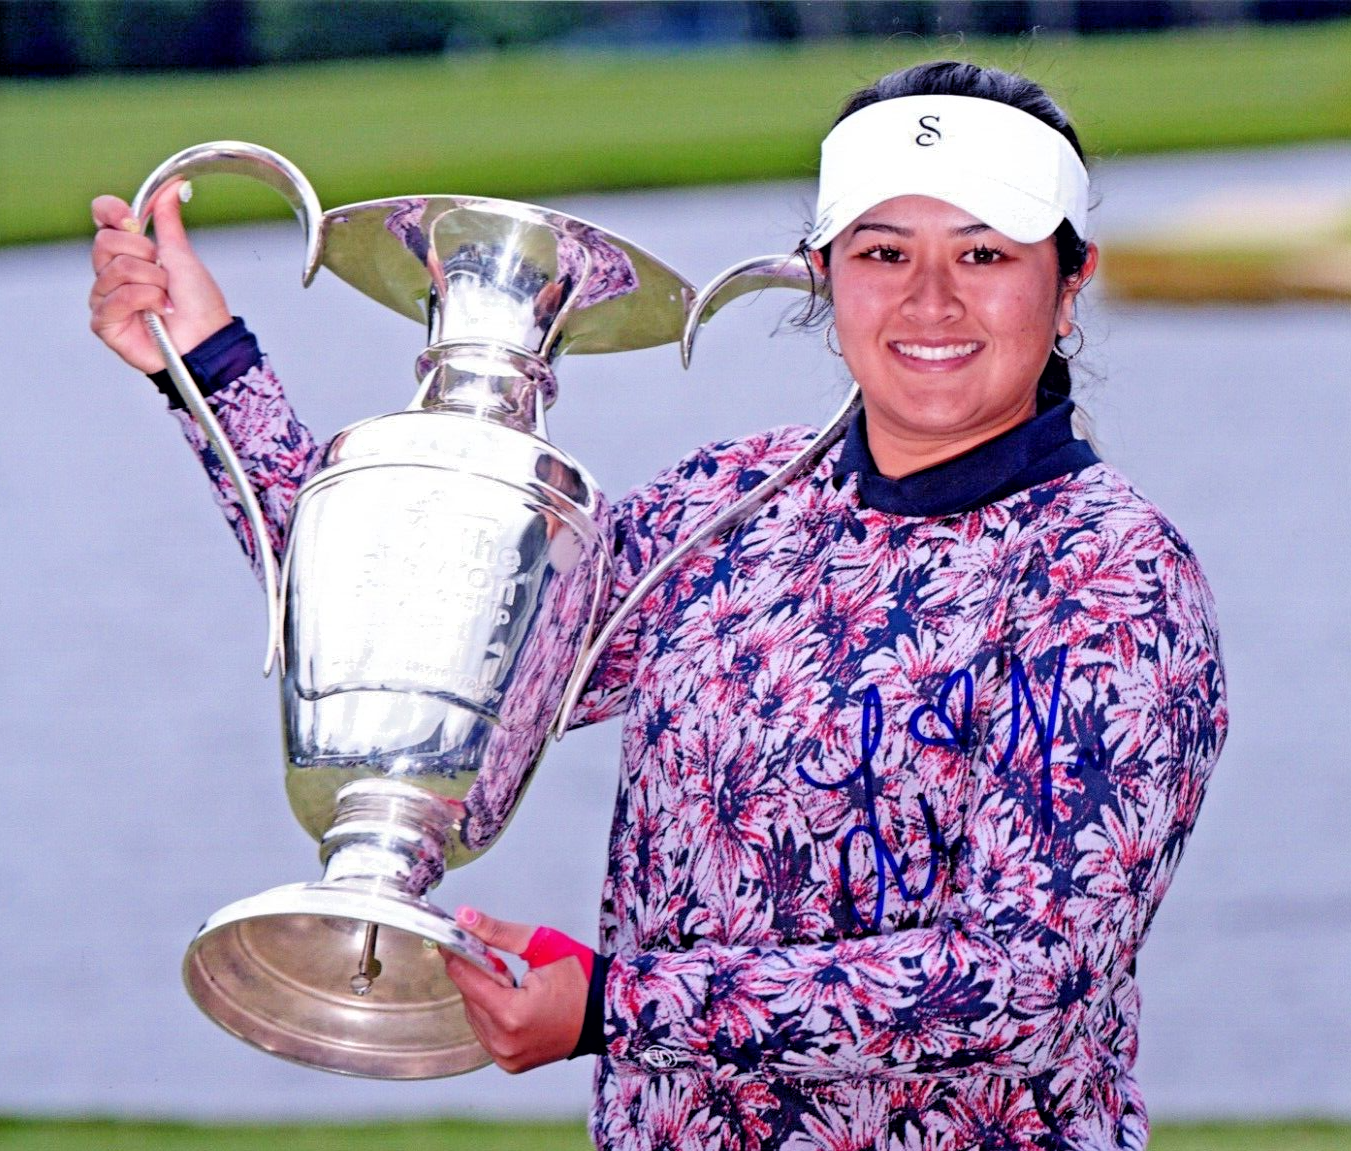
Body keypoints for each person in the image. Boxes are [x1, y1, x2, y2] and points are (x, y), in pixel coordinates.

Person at [91, 60, 1227, 1151]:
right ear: (822, 276)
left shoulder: (1112, 580)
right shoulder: (737, 502)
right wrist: (203, 360)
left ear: (1069, 285)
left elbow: (1025, 978)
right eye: (883, 251)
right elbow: (409, 622)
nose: (931, 297)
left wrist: (608, 1005)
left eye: (984, 252)